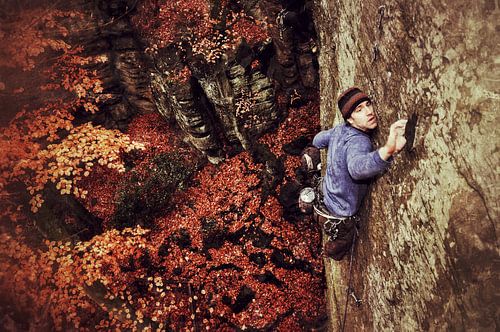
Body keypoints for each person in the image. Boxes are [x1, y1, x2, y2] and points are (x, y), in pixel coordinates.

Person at [312, 87, 407, 260]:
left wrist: (332, 137)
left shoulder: (339, 130)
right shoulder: (359, 140)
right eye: (359, 110)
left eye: (368, 104)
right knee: (338, 248)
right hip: (340, 212)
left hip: (325, 195)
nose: (369, 112)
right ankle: (338, 244)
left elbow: (317, 140)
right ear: (350, 118)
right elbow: (357, 169)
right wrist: (388, 150)